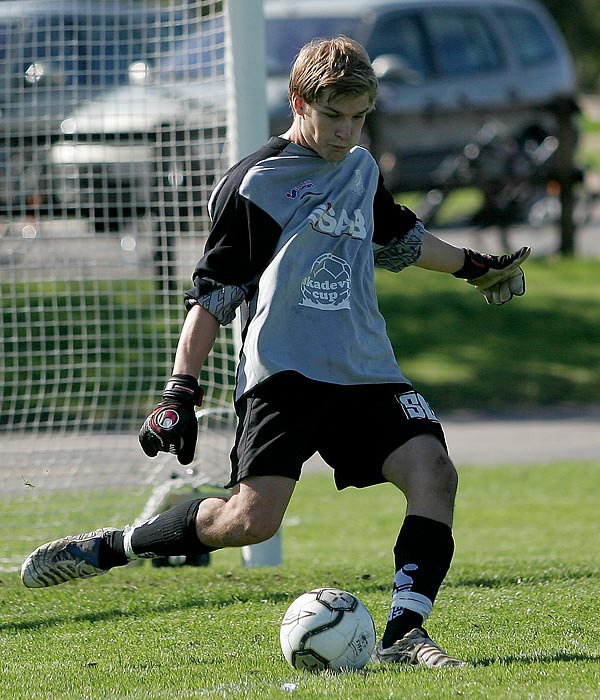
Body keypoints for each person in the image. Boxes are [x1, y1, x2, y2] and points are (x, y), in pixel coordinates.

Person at [21, 36, 530, 668]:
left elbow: (398, 235)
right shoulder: (258, 182)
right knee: (249, 522)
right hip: (284, 373)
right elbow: (212, 294)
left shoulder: (361, 167)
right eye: (334, 116)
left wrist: (476, 267)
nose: (347, 132)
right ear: (298, 102)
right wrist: (181, 390)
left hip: (365, 367)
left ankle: (404, 633)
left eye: (359, 118)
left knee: (434, 472)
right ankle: (116, 546)